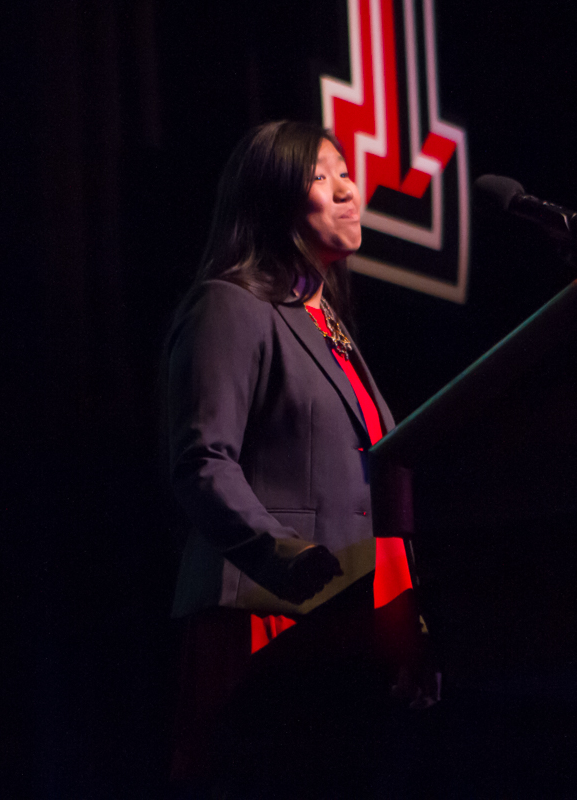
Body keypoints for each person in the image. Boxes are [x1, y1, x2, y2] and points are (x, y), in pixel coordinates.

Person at [166, 121, 432, 796]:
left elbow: (378, 495)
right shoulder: (230, 306)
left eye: (347, 171)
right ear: (271, 199)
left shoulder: (330, 328)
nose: (349, 189)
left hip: (350, 634)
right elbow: (204, 461)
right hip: (269, 619)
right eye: (323, 175)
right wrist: (282, 556)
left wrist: (412, 626)